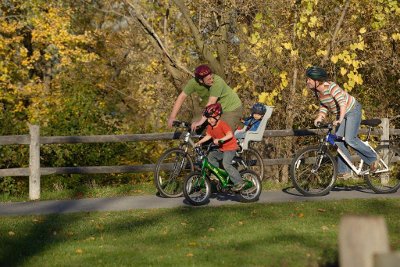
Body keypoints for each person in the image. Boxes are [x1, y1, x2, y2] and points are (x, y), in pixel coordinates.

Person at [305, 66, 378, 179]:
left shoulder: (331, 87)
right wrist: (320, 117)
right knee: (338, 141)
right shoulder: (318, 92)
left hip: (352, 109)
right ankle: (345, 171)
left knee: (350, 139)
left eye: (309, 79)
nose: (307, 81)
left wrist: (340, 119)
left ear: (317, 80)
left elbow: (342, 103)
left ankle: (373, 158)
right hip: (342, 114)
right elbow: (324, 105)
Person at [168, 64, 243, 132]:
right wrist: (172, 117)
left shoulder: (217, 82)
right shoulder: (193, 83)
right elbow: (182, 97)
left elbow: (211, 103)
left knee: (221, 130)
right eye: (209, 79)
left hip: (231, 109)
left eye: (211, 77)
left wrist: (201, 121)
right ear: (201, 81)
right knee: (194, 124)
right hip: (214, 110)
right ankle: (204, 146)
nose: (212, 80)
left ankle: (232, 146)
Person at [194, 103, 246, 191]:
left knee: (226, 163)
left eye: (211, 118)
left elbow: (230, 135)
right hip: (222, 149)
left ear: (217, 117)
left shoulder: (222, 124)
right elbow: (208, 136)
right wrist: (199, 142)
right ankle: (220, 174)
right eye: (208, 119)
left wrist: (220, 140)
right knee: (211, 157)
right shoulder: (210, 127)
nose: (209, 121)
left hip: (230, 148)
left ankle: (239, 182)